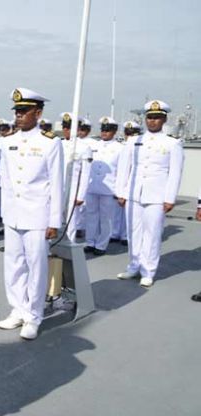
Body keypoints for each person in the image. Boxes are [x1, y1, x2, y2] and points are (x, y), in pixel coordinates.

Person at [0, 88, 63, 340]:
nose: (19, 116)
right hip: (13, 214)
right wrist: (4, 212)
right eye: (17, 111)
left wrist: (54, 220)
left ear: (38, 112)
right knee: (13, 264)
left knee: (36, 266)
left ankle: (34, 316)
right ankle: (18, 309)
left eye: (24, 111)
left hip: (38, 216)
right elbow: (5, 179)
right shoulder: (7, 141)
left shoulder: (50, 142)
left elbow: (57, 185)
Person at [115, 100, 184, 288]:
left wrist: (170, 198)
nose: (152, 121)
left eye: (157, 118)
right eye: (150, 117)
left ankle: (148, 271)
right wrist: (121, 192)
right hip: (133, 193)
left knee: (152, 234)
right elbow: (124, 168)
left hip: (157, 195)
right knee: (133, 232)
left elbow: (175, 173)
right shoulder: (133, 141)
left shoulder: (172, 143)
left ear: (164, 119)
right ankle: (133, 266)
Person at [84, 117, 124, 255]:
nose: (104, 133)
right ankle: (90, 242)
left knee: (106, 219)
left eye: (108, 130)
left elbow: (122, 171)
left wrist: (119, 192)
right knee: (91, 216)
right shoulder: (93, 146)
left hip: (109, 189)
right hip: (92, 187)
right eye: (103, 130)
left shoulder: (120, 148)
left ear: (114, 131)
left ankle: (101, 245)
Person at [60, 112, 92, 243]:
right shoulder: (58, 144)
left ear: (78, 129)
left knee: (70, 221)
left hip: (73, 189)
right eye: (64, 127)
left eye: (69, 127)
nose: (66, 130)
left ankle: (70, 247)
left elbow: (85, 173)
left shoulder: (84, 147)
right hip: (57, 188)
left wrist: (81, 196)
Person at [111, 121, 142, 245]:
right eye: (127, 133)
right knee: (117, 211)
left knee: (129, 213)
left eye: (132, 133)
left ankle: (126, 235)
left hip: (132, 184)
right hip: (120, 182)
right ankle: (115, 232)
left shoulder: (139, 147)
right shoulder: (122, 146)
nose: (129, 136)